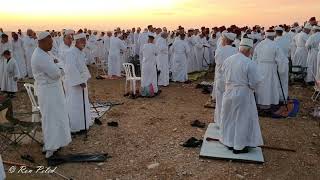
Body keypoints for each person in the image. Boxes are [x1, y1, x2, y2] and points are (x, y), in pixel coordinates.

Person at [219, 37, 263, 154]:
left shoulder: (228, 60)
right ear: (249, 50)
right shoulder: (249, 63)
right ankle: (239, 146)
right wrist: (251, 89)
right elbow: (255, 82)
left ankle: (228, 142)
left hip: (228, 91)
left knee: (229, 117)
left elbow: (223, 76)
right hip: (242, 93)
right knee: (241, 119)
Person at [31, 31, 71, 158]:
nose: (51, 45)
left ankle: (56, 143)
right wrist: (59, 66)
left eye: (52, 42)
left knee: (57, 117)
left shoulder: (45, 52)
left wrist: (57, 64)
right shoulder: (39, 56)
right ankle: (50, 148)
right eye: (49, 43)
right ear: (41, 42)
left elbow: (57, 64)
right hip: (48, 93)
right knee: (50, 119)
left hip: (53, 91)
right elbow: (56, 73)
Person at [64, 33, 93, 133]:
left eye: (85, 41)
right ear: (76, 42)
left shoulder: (80, 52)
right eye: (82, 41)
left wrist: (85, 78)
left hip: (81, 81)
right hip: (75, 83)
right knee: (75, 104)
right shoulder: (70, 52)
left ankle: (83, 124)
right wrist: (80, 81)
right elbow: (71, 68)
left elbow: (83, 67)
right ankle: (76, 126)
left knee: (82, 103)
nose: (84, 43)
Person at [253, 29, 288, 111]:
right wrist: (281, 70)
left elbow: (254, 58)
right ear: (273, 36)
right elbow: (281, 60)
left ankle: (260, 103)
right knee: (270, 86)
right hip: (271, 68)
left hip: (260, 67)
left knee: (262, 86)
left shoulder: (259, 45)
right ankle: (270, 104)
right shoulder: (275, 45)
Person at [214, 32, 238, 128]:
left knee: (220, 101)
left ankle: (220, 122)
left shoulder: (220, 51)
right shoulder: (236, 50)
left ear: (226, 40)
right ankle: (229, 122)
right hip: (232, 79)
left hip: (221, 78)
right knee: (230, 102)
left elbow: (218, 63)